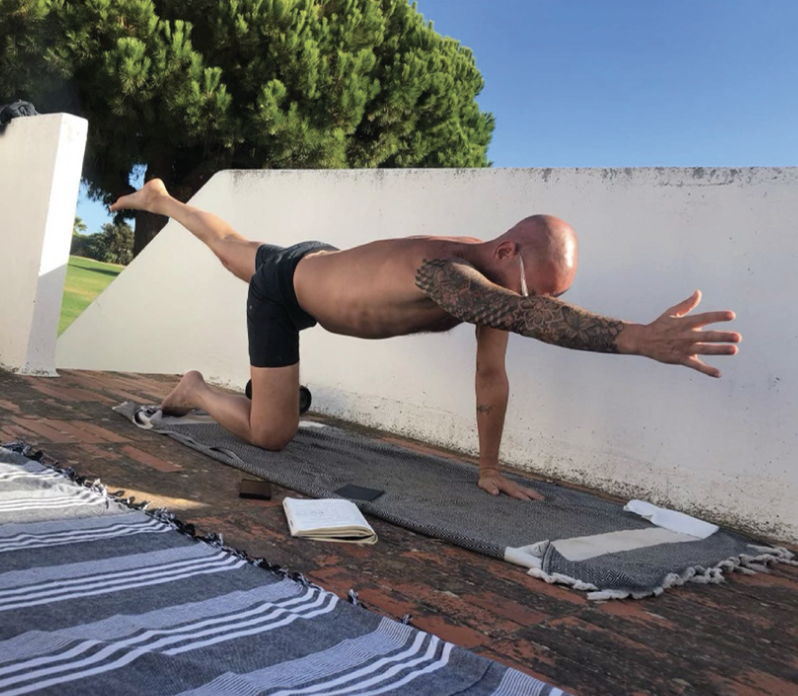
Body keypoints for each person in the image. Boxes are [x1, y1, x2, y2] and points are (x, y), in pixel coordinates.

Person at [111, 180, 741, 501]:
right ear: (506, 249)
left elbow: (492, 377)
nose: (536, 307)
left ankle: (164, 198)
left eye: (545, 298)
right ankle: (194, 389)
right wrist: (633, 336)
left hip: (327, 264)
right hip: (287, 287)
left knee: (230, 242)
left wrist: (488, 469)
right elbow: (537, 321)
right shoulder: (448, 271)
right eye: (538, 291)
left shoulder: (499, 294)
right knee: (271, 434)